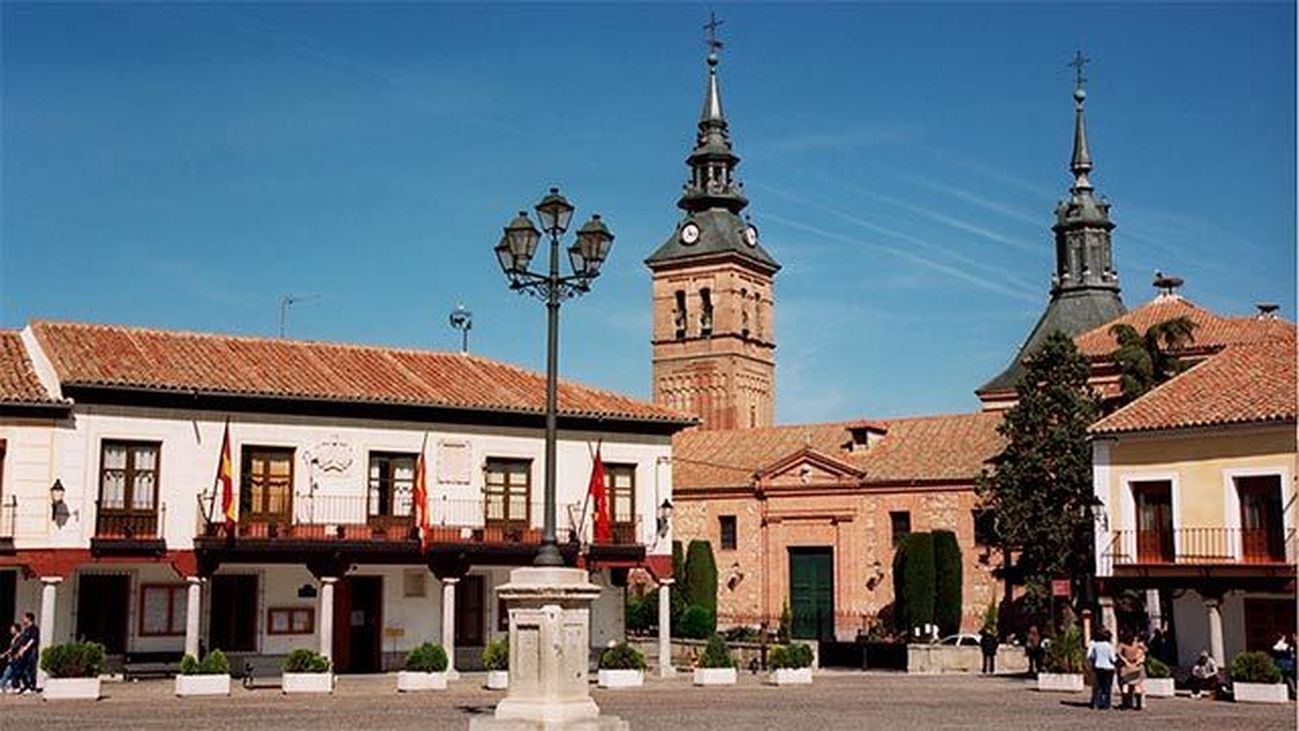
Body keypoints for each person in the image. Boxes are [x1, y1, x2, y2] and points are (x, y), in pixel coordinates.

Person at [1087, 628, 1117, 710]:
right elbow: (1113, 658)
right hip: (1109, 668)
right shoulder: (1109, 646)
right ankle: (1106, 704)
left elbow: (1091, 656)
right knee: (1107, 687)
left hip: (1098, 667)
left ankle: (1096, 703)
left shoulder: (1096, 645)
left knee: (1099, 686)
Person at [1116, 632, 1147, 710]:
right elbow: (1144, 651)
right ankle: (1138, 705)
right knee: (1137, 685)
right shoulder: (1137, 645)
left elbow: (1118, 654)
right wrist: (1138, 661)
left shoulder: (1122, 645)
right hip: (1137, 666)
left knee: (1125, 685)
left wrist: (1125, 661)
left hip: (1126, 667)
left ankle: (1125, 704)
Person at [13, 611, 40, 694]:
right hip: (25, 653)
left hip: (32, 652)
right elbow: (23, 641)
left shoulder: (34, 628)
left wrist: (25, 648)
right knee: (22, 669)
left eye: (24, 618)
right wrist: (20, 651)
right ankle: (26, 685)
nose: (23, 619)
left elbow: (32, 640)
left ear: (29, 619)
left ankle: (32, 687)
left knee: (31, 669)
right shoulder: (26, 630)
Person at [0, 622, 22, 692]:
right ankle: (5, 686)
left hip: (16, 658)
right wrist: (5, 654)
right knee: (9, 673)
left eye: (12, 629)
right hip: (12, 658)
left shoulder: (20, 638)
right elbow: (11, 648)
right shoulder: (14, 638)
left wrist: (5, 654)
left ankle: (14, 687)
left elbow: (14, 648)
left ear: (16, 629)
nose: (11, 630)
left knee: (10, 673)